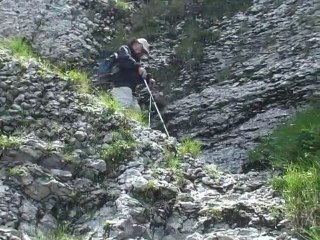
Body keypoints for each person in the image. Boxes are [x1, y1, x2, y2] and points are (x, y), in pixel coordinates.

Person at [111, 38, 155, 112]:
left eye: (144, 52)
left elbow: (134, 75)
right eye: (142, 49)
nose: (142, 53)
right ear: (136, 43)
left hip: (130, 91)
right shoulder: (124, 49)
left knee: (136, 113)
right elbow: (124, 60)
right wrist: (138, 67)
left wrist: (148, 79)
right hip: (120, 86)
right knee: (123, 109)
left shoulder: (135, 60)